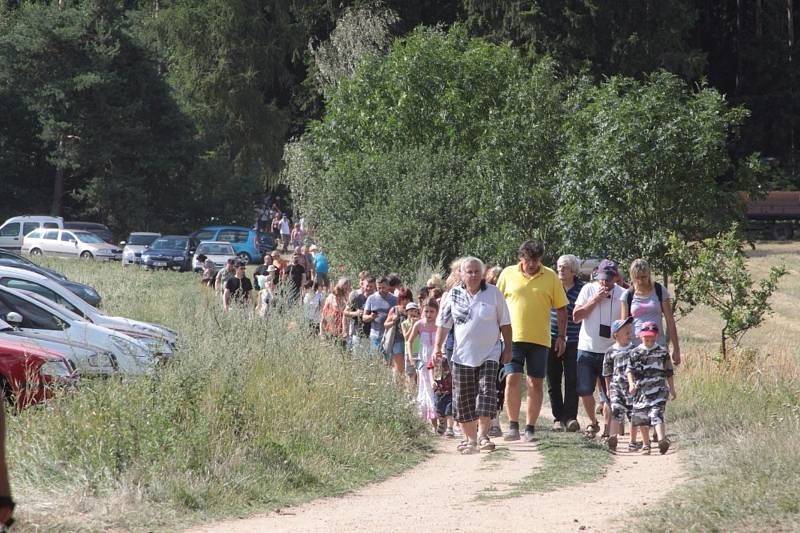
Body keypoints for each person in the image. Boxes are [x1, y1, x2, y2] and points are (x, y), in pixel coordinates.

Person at [434, 257, 513, 455]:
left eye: (477, 271)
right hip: (462, 355)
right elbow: (443, 325)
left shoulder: (493, 293)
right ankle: (470, 439)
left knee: (487, 392)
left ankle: (484, 435)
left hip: (490, 352)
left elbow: (505, 323)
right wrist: (437, 348)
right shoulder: (453, 295)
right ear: (461, 274)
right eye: (469, 272)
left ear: (483, 273)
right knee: (463, 397)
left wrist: (508, 348)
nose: (473, 275)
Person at [497, 240, 568, 443]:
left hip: (540, 339)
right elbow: (497, 304)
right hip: (512, 337)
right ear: (521, 257)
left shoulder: (551, 277)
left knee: (535, 383)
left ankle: (530, 427)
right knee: (512, 379)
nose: (532, 264)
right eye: (528, 259)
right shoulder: (507, 274)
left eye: (536, 259)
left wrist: (561, 337)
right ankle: (512, 426)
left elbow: (561, 308)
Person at [573, 259, 626, 438]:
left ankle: (607, 431)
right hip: (587, 348)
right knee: (584, 390)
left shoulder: (623, 294)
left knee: (610, 394)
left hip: (611, 351)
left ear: (615, 278)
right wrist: (595, 300)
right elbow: (576, 316)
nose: (605, 283)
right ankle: (592, 422)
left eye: (609, 280)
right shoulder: (588, 289)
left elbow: (627, 322)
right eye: (602, 279)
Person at [547, 254, 585, 432]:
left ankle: (570, 417)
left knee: (572, 379)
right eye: (559, 266)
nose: (560, 270)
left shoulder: (582, 289)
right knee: (553, 380)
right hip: (551, 338)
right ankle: (557, 417)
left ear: (573, 271)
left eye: (565, 267)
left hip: (575, 340)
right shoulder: (551, 286)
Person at [626, 321, 676, 455]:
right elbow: (629, 370)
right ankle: (646, 444)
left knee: (656, 414)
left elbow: (669, 372)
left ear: (656, 336)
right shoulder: (635, 352)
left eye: (652, 339)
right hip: (640, 391)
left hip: (658, 390)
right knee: (642, 418)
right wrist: (631, 384)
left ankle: (661, 440)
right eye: (646, 338)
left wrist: (672, 389)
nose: (649, 341)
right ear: (640, 337)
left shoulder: (662, 352)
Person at [621, 258, 681, 366]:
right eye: (637, 278)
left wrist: (676, 349)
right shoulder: (628, 295)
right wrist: (622, 350)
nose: (640, 281)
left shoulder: (659, 290)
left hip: (658, 346)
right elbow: (623, 326)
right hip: (635, 348)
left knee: (659, 381)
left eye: (644, 277)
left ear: (649, 274)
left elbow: (670, 321)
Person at [603, 317, 636, 452]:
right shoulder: (610, 351)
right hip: (616, 387)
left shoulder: (634, 349)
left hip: (631, 388)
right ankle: (613, 438)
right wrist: (608, 389)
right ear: (616, 334)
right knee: (616, 411)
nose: (629, 334)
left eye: (630, 331)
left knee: (633, 415)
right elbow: (607, 372)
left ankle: (633, 441)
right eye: (626, 332)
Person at [406, 299, 439, 429]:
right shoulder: (419, 325)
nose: (429, 314)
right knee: (425, 387)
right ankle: (429, 420)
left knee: (437, 387)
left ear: (436, 312)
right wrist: (411, 357)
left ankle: (440, 418)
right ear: (422, 310)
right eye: (426, 311)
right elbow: (409, 341)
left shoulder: (439, 325)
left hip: (437, 361)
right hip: (423, 360)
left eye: (432, 311)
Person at [363, 276, 398, 359]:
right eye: (379, 288)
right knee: (376, 360)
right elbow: (364, 317)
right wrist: (371, 317)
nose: (381, 290)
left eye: (383, 288)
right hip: (375, 334)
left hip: (390, 334)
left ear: (388, 286)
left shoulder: (394, 299)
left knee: (389, 360)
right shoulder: (371, 298)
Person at [383, 288, 414, 378]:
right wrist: (393, 321)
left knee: (411, 369)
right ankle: (398, 389)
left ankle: (409, 388)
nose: (405, 301)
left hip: (412, 341)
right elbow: (385, 324)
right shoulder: (395, 309)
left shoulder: (414, 309)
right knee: (399, 368)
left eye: (407, 299)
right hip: (398, 340)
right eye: (403, 299)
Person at [345, 275, 375, 351]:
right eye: (367, 286)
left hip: (373, 334)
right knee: (357, 359)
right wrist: (356, 313)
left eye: (371, 286)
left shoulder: (377, 299)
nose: (369, 288)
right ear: (363, 285)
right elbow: (345, 312)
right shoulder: (357, 298)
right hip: (357, 333)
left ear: (375, 287)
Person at [321, 277, 351, 348]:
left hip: (344, 332)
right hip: (331, 331)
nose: (345, 290)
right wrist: (321, 333)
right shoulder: (331, 298)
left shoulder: (348, 298)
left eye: (346, 288)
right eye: (343, 288)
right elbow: (323, 316)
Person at [401, 302, 421, 391]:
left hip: (419, 352)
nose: (413, 313)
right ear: (407, 312)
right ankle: (410, 395)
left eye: (415, 311)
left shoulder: (420, 323)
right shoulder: (404, 323)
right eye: (411, 311)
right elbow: (406, 337)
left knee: (420, 374)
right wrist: (413, 325)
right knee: (410, 375)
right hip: (409, 353)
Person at [433, 357, 455, 438]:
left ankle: (450, 428)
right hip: (439, 391)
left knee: (449, 410)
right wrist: (433, 381)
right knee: (439, 409)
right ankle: (443, 424)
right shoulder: (437, 361)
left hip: (450, 391)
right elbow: (431, 368)